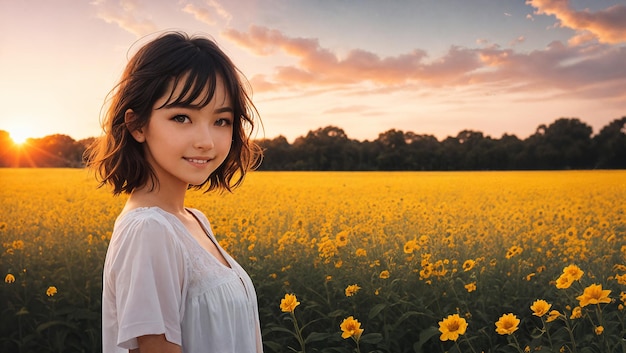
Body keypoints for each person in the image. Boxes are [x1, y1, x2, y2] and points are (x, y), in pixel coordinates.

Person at [85, 31, 263, 353]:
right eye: (182, 117)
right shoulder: (148, 230)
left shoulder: (194, 221)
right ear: (137, 125)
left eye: (221, 120)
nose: (206, 140)